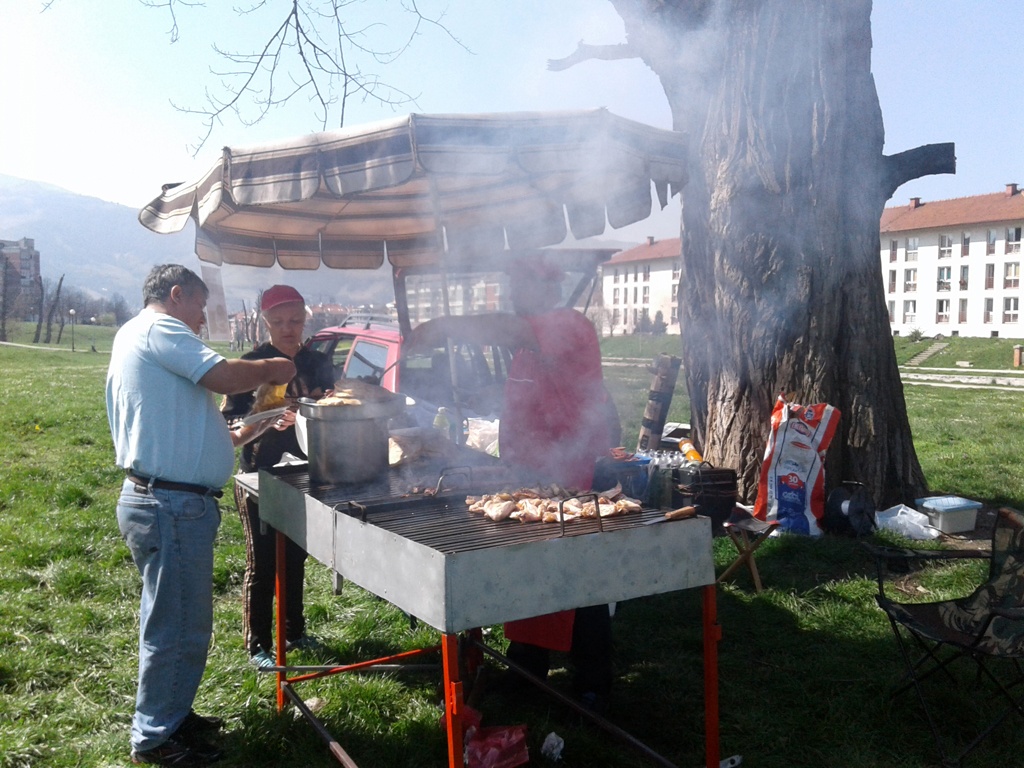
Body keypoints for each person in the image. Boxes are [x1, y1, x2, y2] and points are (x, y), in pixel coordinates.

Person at [106, 264, 296, 767]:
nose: (199, 323)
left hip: (169, 501)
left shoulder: (141, 339)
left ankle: (172, 714)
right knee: (177, 625)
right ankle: (155, 738)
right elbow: (225, 375)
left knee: (180, 621)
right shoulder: (158, 327)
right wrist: (273, 367)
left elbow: (217, 432)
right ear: (176, 295)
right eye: (198, 308)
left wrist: (258, 423)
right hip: (168, 504)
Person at [407, 252, 615, 709]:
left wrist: (444, 325)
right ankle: (527, 668)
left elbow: (508, 327)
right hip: (526, 475)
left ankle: (592, 680)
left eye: (518, 283)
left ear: (544, 287)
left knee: (578, 578)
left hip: (571, 474)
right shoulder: (527, 347)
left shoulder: (569, 326)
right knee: (528, 574)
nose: (511, 293)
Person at [220, 285, 335, 669]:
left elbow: (333, 402)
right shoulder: (250, 365)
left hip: (305, 470)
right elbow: (229, 422)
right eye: (279, 322)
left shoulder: (318, 361)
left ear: (306, 320)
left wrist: (319, 405)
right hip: (260, 474)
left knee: (296, 556)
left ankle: (294, 631)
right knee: (263, 561)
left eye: (296, 321)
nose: (288, 329)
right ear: (265, 323)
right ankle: (258, 645)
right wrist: (267, 417)